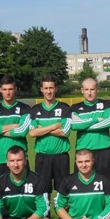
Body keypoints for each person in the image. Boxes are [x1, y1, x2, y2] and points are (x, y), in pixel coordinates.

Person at [28, 74, 72, 205]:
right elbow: (32, 133)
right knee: (43, 191)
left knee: (63, 191)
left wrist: (42, 129)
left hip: (61, 157)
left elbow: (65, 132)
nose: (48, 91)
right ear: (41, 89)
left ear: (56, 89)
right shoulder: (35, 110)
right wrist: (54, 126)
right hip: (42, 157)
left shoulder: (64, 108)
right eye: (46, 88)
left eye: (51, 88)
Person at [0, 75, 31, 186]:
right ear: (0, 90)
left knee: (24, 194)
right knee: (0, 194)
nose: (8, 92)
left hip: (20, 159)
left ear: (15, 89)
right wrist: (14, 125)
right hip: (0, 159)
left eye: (10, 89)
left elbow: (23, 130)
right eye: (5, 89)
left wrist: (0, 130)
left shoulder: (25, 108)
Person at [71, 78, 110, 180]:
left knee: (108, 184)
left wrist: (84, 124)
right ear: (82, 90)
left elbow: (109, 121)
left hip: (104, 151)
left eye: (92, 89)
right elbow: (74, 125)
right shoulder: (75, 107)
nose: (89, 93)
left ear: (97, 89)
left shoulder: (107, 104)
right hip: (83, 152)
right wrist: (96, 119)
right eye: (86, 90)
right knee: (82, 185)